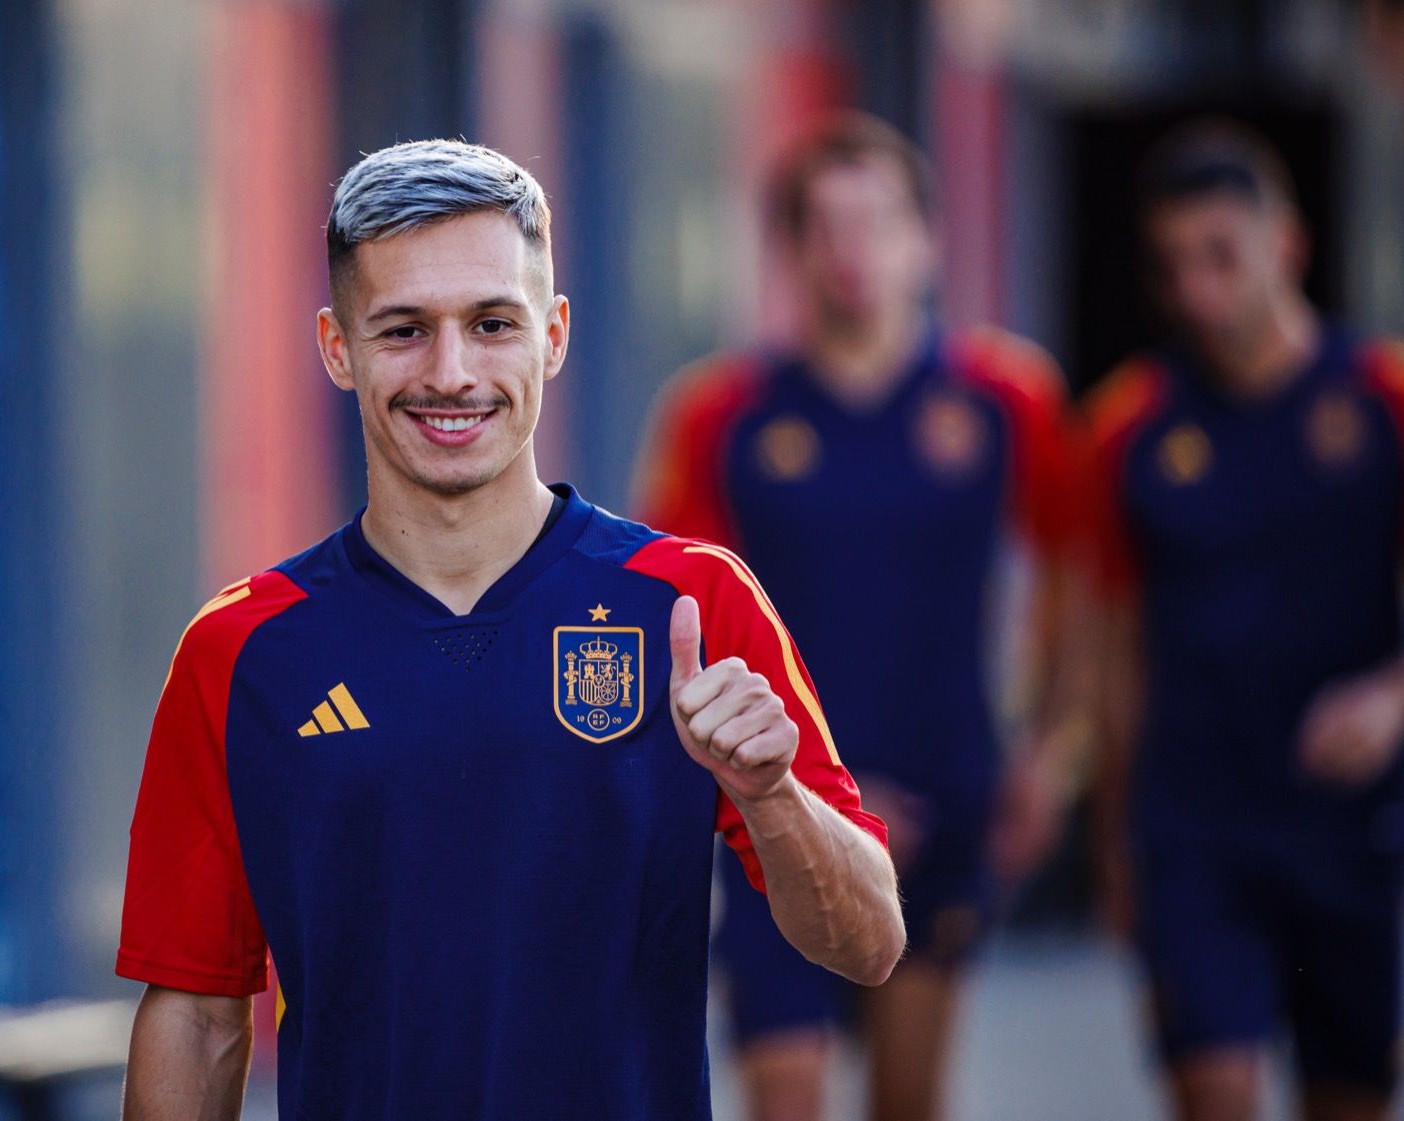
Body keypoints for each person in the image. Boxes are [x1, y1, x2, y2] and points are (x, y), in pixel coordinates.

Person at [115, 139, 904, 1121]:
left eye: (492, 323)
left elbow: (867, 940)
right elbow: (196, 1014)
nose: (452, 372)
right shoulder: (241, 650)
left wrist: (772, 792)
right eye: (402, 329)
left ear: (554, 334)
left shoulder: (690, 604)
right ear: (336, 347)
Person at [635, 113, 1085, 1121]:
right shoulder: (720, 413)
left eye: (875, 222)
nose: (852, 251)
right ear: (788, 250)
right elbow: (678, 621)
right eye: (824, 227)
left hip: (944, 789)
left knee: (906, 1096)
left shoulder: (1004, 397)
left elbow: (1083, 573)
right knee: (784, 1084)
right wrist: (787, 776)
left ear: (925, 239)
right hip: (775, 792)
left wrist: (1051, 750)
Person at [1088, 120, 1404, 1121]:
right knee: (1214, 1087)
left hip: (1352, 828)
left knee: (1348, 1095)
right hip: (1194, 826)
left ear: (1288, 246)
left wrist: (1393, 697)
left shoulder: (1382, 396)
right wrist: (1112, 848)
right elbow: (1108, 646)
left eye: (1220, 255)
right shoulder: (1127, 425)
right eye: (1174, 263)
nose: (1197, 289)